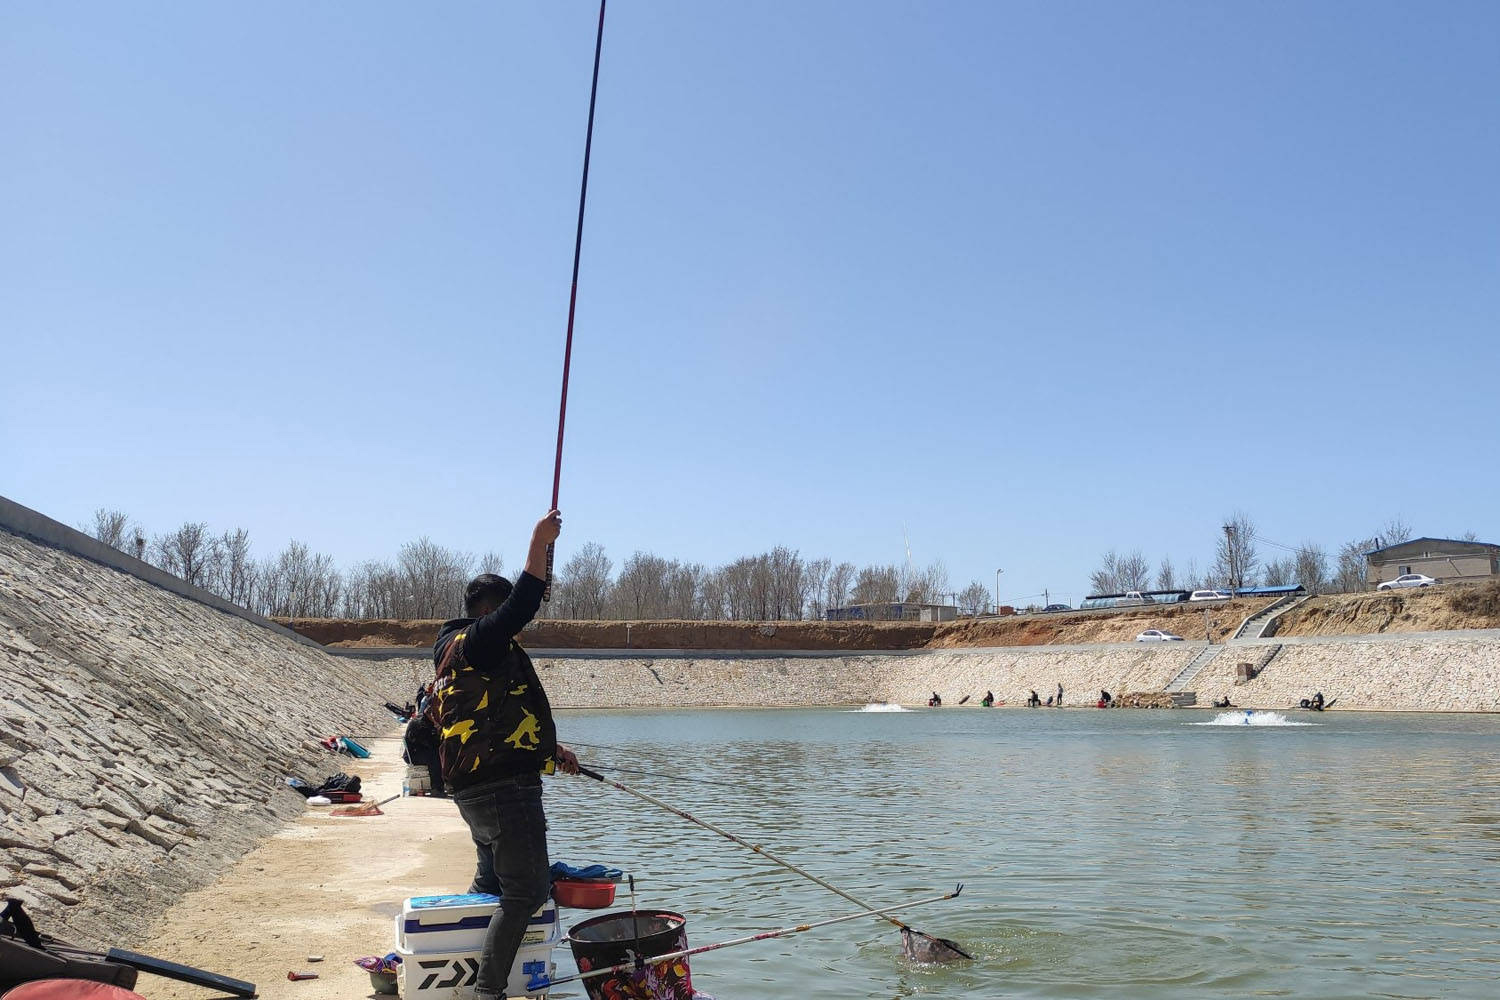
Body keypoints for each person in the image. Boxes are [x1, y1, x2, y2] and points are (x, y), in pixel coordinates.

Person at [432, 509, 579, 1000]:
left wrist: (549, 750)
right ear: (488, 610)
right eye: (503, 617)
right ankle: (487, 991)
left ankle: (451, 965)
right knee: (525, 892)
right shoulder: (479, 640)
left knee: (491, 884)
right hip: (503, 793)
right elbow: (521, 605)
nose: (513, 629)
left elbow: (495, 719)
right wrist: (540, 542)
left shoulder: (460, 655)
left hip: (475, 790)